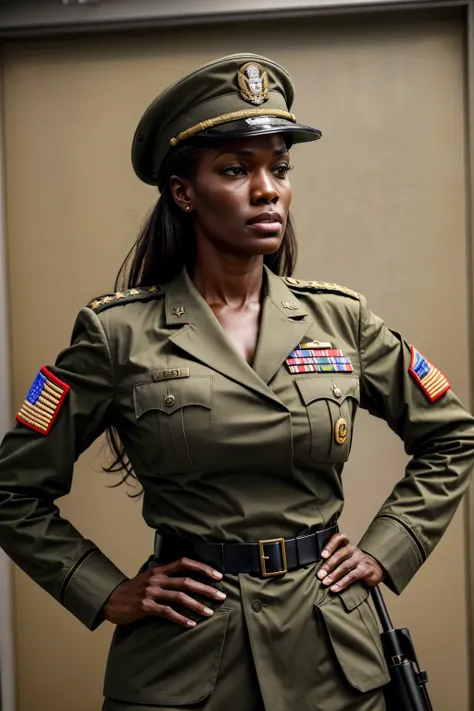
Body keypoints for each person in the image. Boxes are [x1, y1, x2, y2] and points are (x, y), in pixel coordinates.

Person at [0, 52, 473, 711]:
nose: (267, 189)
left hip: (331, 651)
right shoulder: (118, 334)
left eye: (278, 167)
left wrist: (387, 548)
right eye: (234, 169)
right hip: (184, 657)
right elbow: (11, 489)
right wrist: (103, 588)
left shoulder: (341, 320)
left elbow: (453, 437)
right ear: (183, 191)